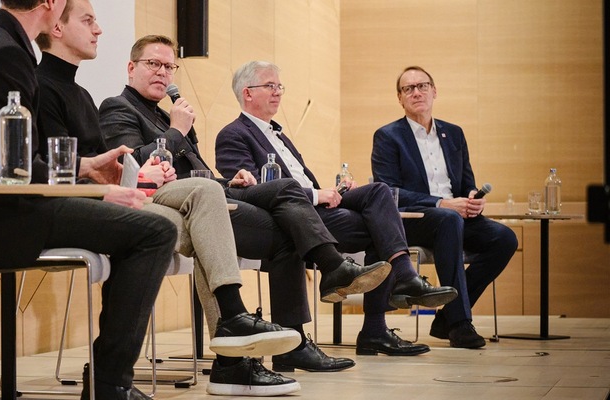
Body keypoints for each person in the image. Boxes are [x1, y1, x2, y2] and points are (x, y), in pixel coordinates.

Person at [33, 1, 306, 396]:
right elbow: (104, 164)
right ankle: (232, 342)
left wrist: (221, 177)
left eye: (169, 66)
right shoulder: (106, 103)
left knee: (210, 206)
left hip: (151, 200)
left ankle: (229, 352)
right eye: (89, 20)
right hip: (108, 203)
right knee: (210, 201)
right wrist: (165, 144)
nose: (99, 30)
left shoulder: (83, 95)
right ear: (55, 26)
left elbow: (113, 165)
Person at [98, 34, 394, 382]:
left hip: (207, 196)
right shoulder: (118, 107)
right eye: (153, 64)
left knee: (284, 208)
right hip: (164, 204)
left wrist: (230, 182)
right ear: (132, 67)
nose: (163, 72)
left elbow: (200, 173)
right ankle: (331, 269)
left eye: (169, 66)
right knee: (285, 197)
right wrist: (178, 130)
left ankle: (294, 340)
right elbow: (133, 167)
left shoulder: (170, 116)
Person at [0, 2, 177, 399]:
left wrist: (87, 167)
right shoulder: (4, 52)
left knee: (143, 224)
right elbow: (17, 167)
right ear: (51, 5)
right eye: (88, 19)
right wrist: (98, 189)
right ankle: (111, 386)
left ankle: (109, 381)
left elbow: (17, 159)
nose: (99, 30)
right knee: (155, 231)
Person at [215, 60, 459, 357]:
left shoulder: (279, 135)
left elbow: (299, 182)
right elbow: (250, 191)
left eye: (280, 86)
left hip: (317, 207)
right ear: (247, 93)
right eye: (270, 86)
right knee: (379, 229)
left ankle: (392, 299)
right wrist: (318, 195)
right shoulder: (233, 134)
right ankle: (385, 313)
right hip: (294, 218)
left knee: (378, 193)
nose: (278, 92)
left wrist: (335, 192)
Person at [371, 65, 518, 349]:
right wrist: (442, 203)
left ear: (434, 91)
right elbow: (388, 191)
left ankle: (446, 317)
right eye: (408, 88)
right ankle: (460, 323)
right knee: (448, 219)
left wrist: (474, 199)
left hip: (457, 217)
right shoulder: (388, 136)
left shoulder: (454, 134)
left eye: (422, 86)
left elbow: (466, 185)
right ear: (400, 98)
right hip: (414, 219)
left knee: (504, 239)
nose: (416, 92)